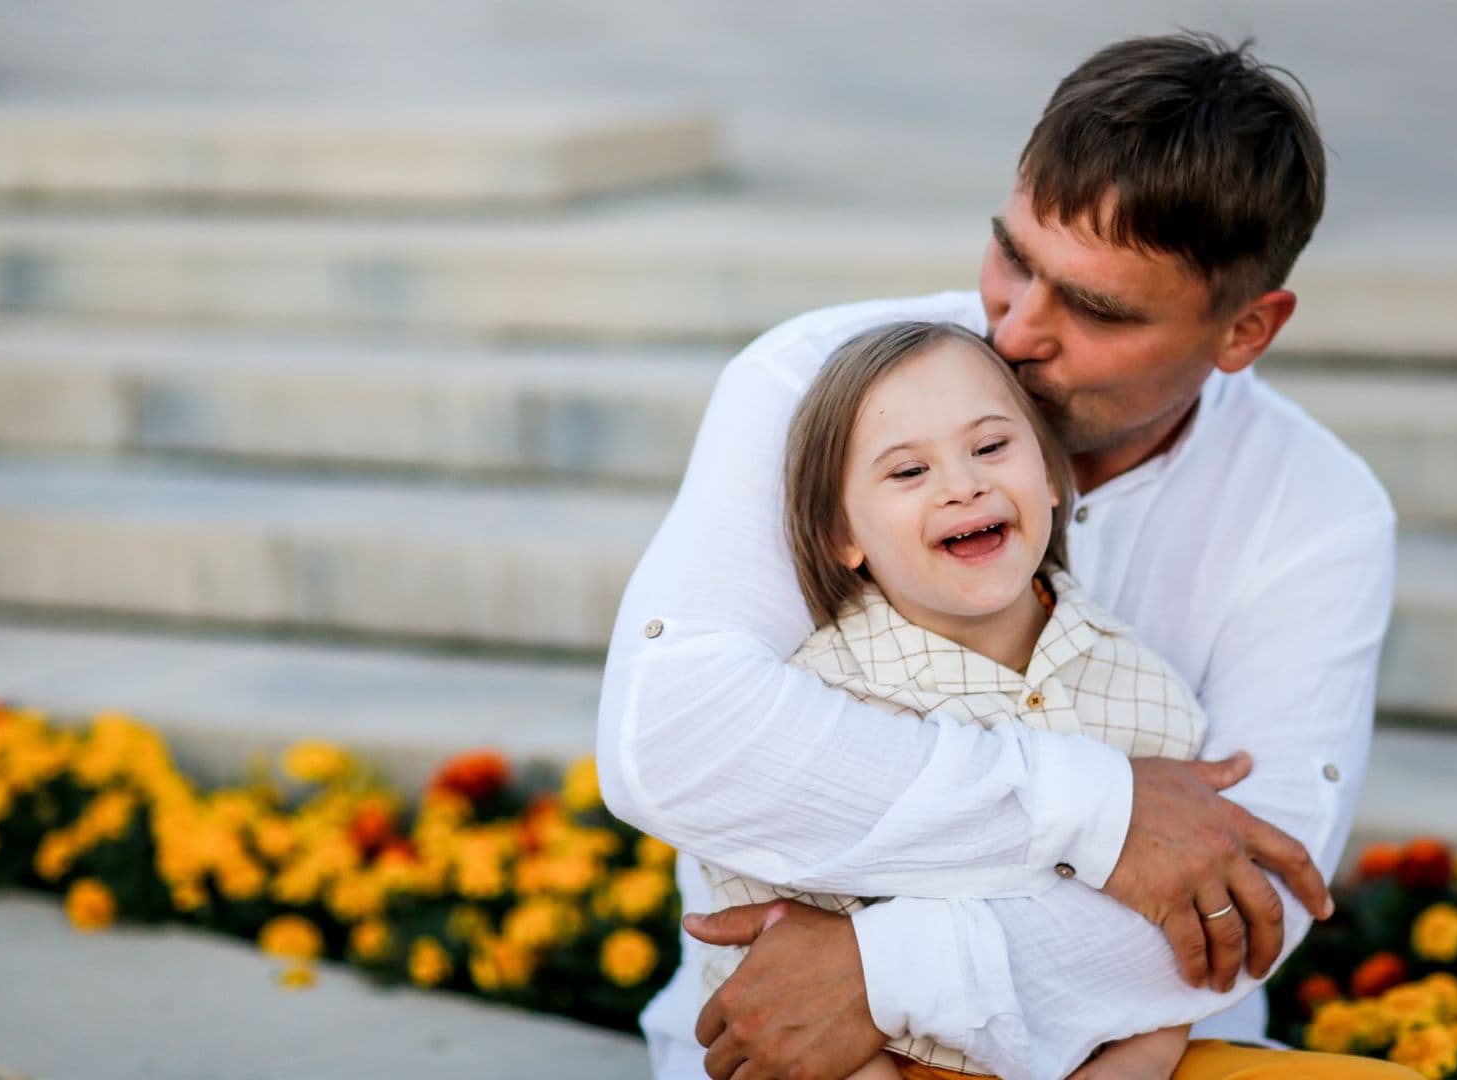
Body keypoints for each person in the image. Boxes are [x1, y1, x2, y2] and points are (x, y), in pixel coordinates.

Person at [597, 31, 1400, 1080]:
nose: (1017, 330)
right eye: (1012, 257)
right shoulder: (815, 385)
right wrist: (1101, 812)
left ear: (1246, 330)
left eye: (1098, 308)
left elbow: (1251, 899)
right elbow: (676, 738)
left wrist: (889, 971)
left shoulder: (1321, 511)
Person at [699, 319, 1210, 1080]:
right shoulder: (815, 705)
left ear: (1048, 477)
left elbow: (1168, 963)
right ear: (844, 534)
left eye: (991, 447)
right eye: (908, 472)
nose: (963, 484)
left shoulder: (1140, 689)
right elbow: (770, 992)